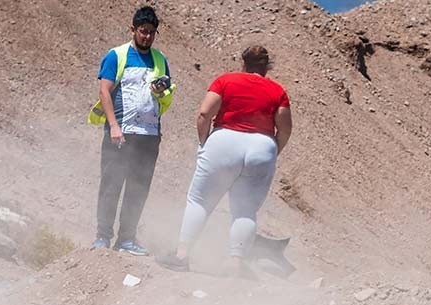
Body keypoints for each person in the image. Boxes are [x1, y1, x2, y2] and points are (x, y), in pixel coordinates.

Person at [156, 45, 292, 274]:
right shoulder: (278, 91)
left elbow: (204, 113)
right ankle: (235, 263)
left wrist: (204, 142)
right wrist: (271, 152)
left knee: (199, 201)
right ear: (266, 67)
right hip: (262, 146)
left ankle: (182, 256)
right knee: (245, 211)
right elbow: (285, 129)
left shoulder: (226, 80)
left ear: (243, 63)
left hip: (224, 142)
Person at [90, 6, 175, 255]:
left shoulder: (160, 60)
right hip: (121, 132)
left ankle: (127, 238)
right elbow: (104, 90)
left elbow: (165, 95)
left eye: (151, 32)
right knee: (111, 184)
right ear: (133, 30)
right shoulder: (117, 55)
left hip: (148, 134)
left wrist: (161, 91)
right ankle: (102, 237)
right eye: (142, 31)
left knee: (138, 188)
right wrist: (114, 126)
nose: (147, 36)